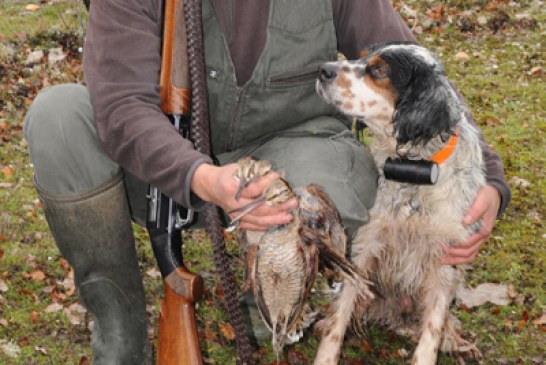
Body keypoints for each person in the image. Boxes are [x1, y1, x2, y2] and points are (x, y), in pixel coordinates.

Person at [23, 0, 511, 363]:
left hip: (297, 145)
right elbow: (120, 105)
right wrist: (201, 176)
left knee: (328, 197)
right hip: (164, 162)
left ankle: (276, 311)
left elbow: (419, 73)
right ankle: (118, 321)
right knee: (57, 118)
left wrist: (487, 177)